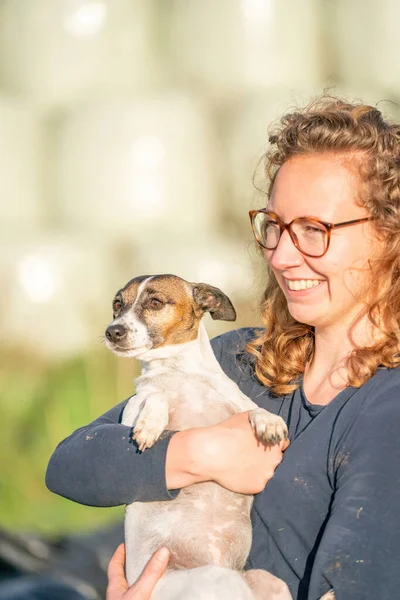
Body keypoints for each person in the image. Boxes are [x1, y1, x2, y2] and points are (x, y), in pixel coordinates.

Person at [46, 96, 400, 599]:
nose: (281, 253)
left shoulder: (387, 406)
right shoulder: (241, 362)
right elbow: (70, 465)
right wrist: (197, 452)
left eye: (313, 230)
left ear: (389, 235)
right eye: (274, 225)